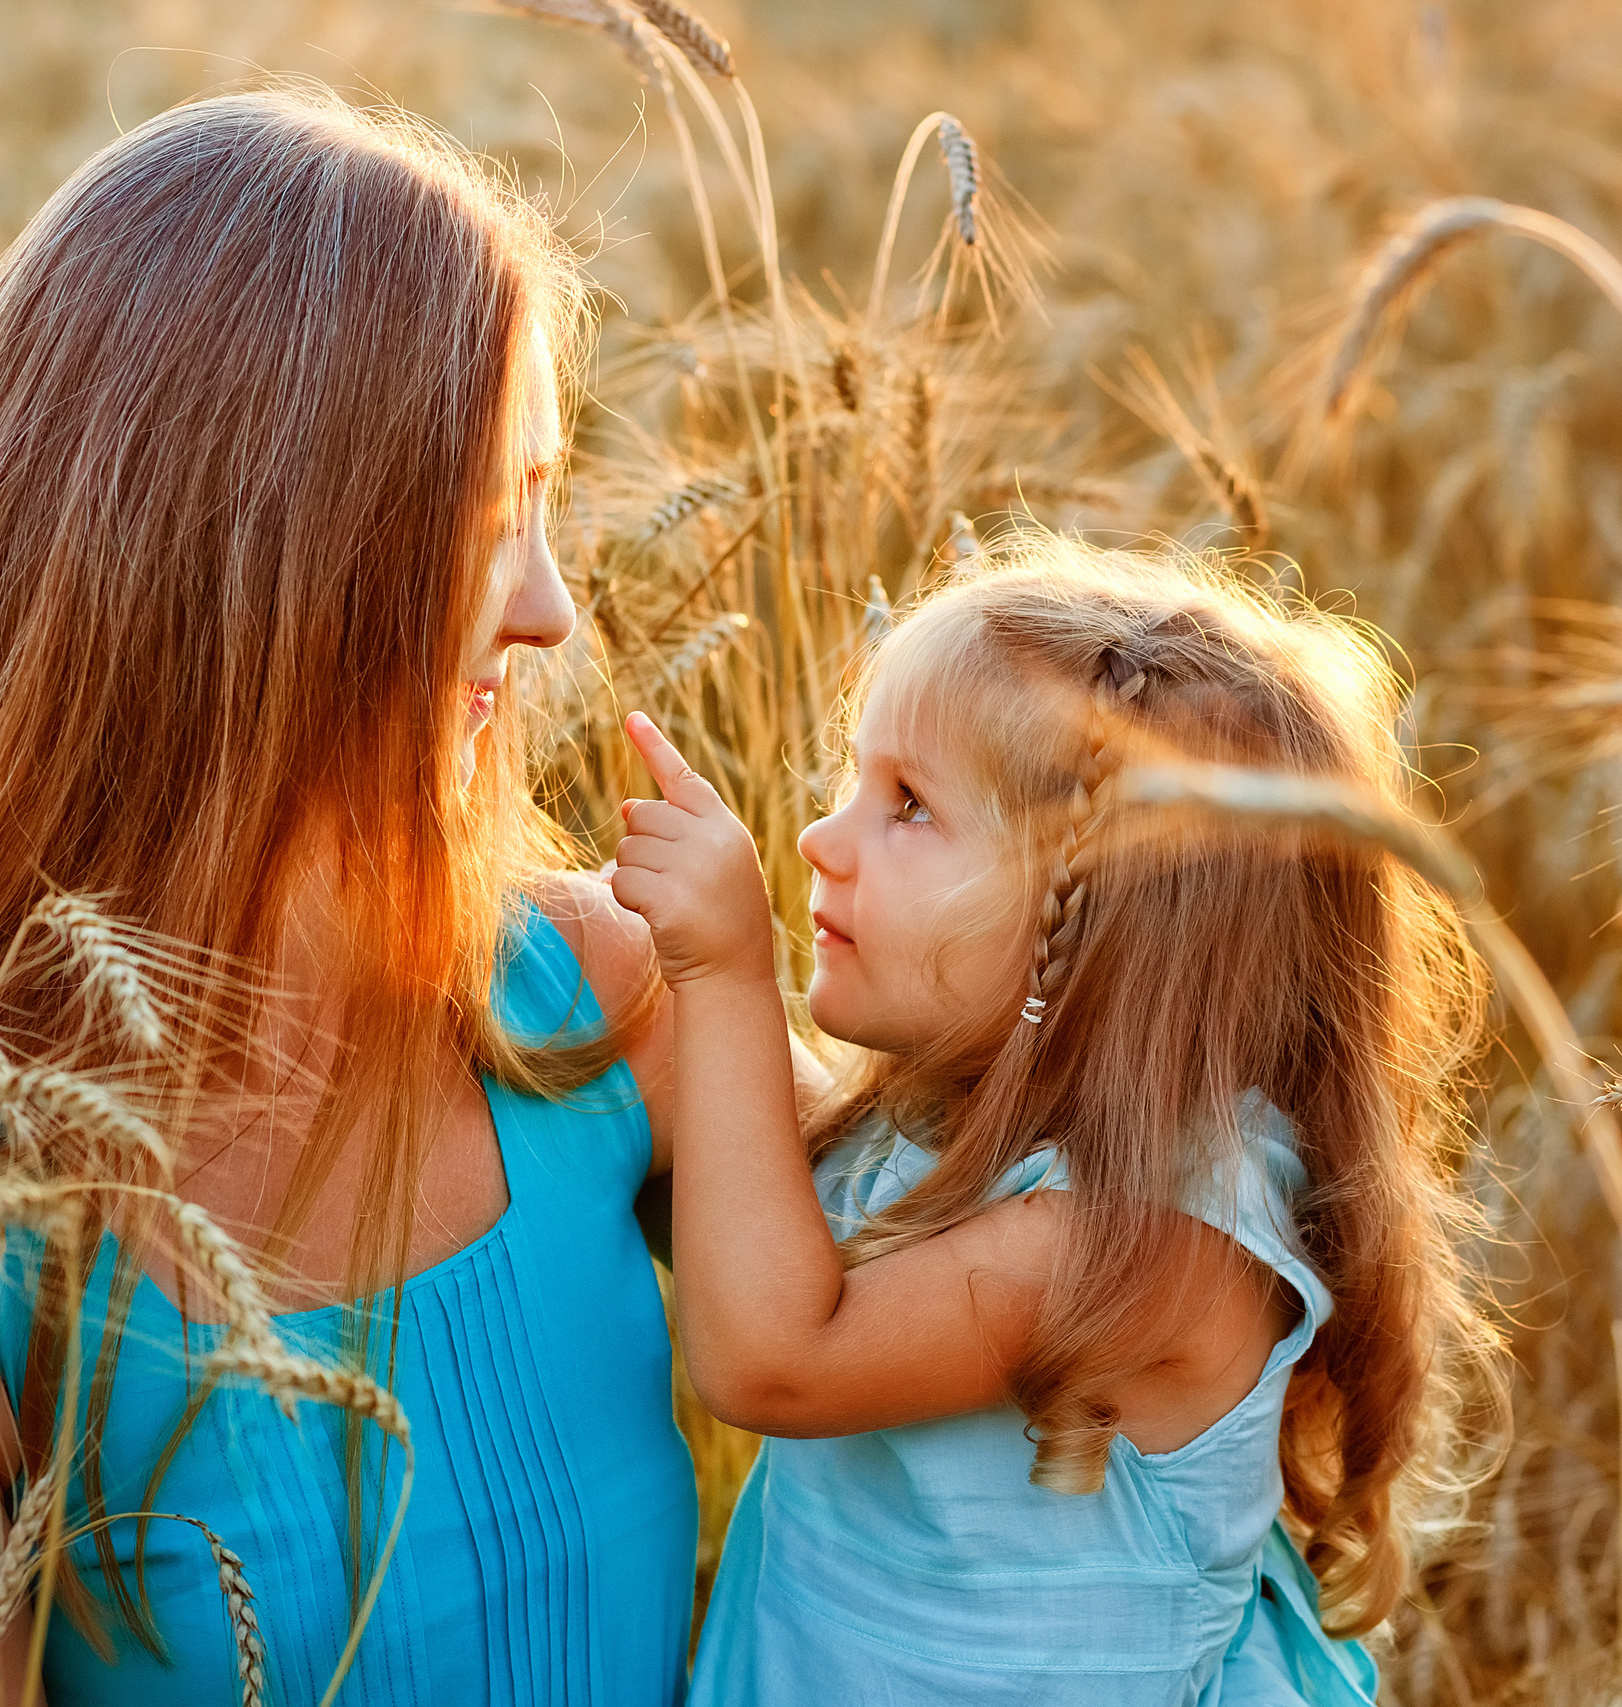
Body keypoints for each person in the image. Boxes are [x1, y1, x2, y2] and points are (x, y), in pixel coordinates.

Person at [0, 89, 699, 1705]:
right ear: (252, 565)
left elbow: (1020, 1267)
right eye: (486, 523)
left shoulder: (589, 1002)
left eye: (549, 505)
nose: (547, 605)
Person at [609, 537, 1500, 1703]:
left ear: (1097, 929)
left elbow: (771, 1359)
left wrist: (723, 982)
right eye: (854, 784)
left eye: (910, 807)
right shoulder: (945, 1127)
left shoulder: (1153, 1245)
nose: (821, 843)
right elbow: (756, 1228)